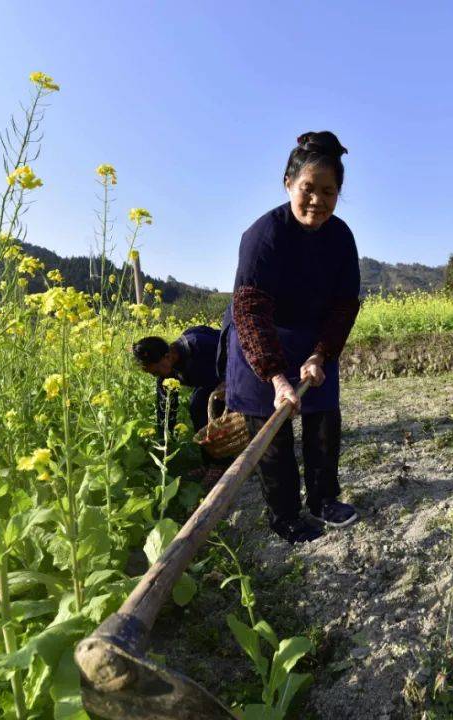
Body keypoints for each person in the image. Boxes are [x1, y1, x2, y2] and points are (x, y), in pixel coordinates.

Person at [225, 130, 361, 544]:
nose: (317, 200)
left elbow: (343, 306)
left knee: (324, 421)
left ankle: (322, 499)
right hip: (259, 343)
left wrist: (321, 354)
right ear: (288, 183)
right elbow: (249, 309)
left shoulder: (341, 238)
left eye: (329, 191)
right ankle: (283, 514)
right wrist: (277, 376)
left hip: (313, 338)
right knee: (273, 436)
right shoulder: (263, 235)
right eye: (308, 188)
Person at [133, 305, 232, 440]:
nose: (157, 377)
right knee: (197, 407)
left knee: (223, 406)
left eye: (155, 372)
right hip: (209, 380)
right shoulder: (166, 375)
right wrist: (164, 441)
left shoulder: (199, 344)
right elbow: (166, 410)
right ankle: (211, 456)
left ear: (167, 356)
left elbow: (232, 351)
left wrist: (227, 382)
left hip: (233, 369)